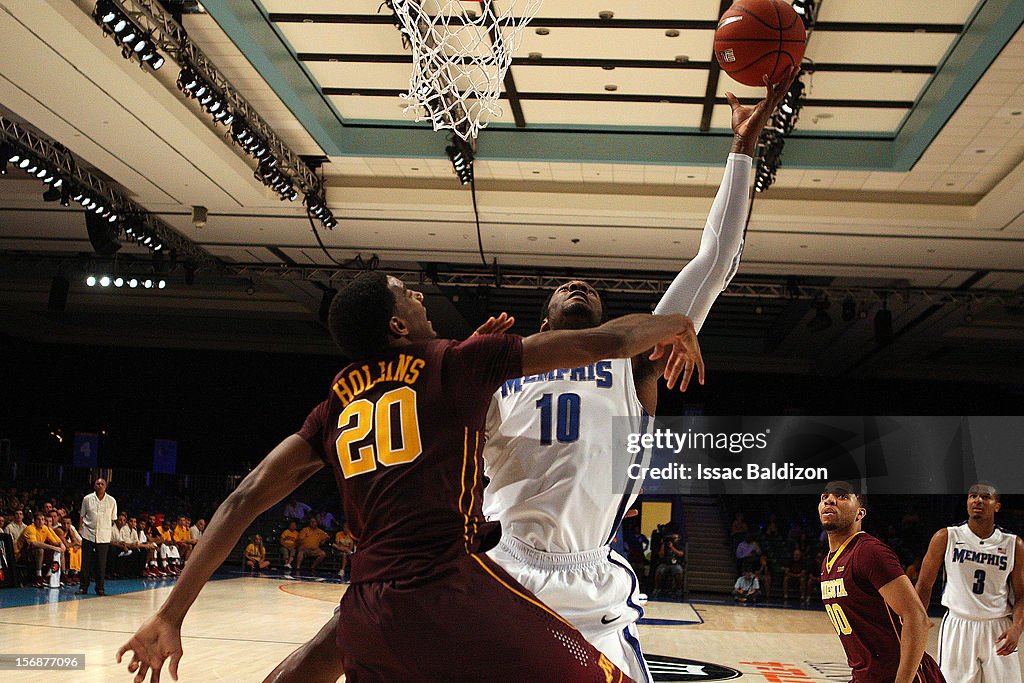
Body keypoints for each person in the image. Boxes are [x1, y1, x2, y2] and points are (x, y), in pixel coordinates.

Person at [118, 271, 702, 683]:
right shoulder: (456, 361)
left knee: (308, 669)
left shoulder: (334, 405)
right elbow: (612, 341)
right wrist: (678, 323)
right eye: (408, 294)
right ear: (398, 325)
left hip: (370, 601)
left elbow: (245, 497)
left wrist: (171, 613)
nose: (420, 294)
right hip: (453, 590)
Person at [478, 72, 794, 683]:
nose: (579, 286)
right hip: (505, 568)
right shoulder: (496, 368)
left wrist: (742, 151)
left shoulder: (632, 361)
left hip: (592, 574)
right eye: (567, 286)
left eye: (591, 290)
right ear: (545, 317)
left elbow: (715, 261)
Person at [817, 481, 944, 683]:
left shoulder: (868, 552)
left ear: (860, 514)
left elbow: (917, 617)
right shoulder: (828, 562)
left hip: (902, 677)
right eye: (825, 497)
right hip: (867, 676)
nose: (830, 500)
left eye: (842, 497)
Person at [915, 482, 1023, 683]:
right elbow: (924, 584)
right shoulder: (946, 537)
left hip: (998, 626)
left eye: (985, 497)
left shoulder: (1013, 544)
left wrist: (1017, 628)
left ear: (997, 506)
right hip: (959, 625)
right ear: (966, 502)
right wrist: (917, 619)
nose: (978, 500)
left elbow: (1021, 594)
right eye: (973, 496)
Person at [78, 477, 117, 596]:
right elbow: (82, 516)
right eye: (97, 483)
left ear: (106, 486)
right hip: (88, 533)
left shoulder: (111, 501)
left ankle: (100, 588)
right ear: (94, 486)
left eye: (102, 484)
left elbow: (113, 519)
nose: (100, 485)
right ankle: (83, 587)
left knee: (101, 563)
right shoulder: (87, 499)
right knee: (86, 562)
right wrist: (80, 529)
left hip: (104, 536)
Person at [16, 512, 65, 587]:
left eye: (42, 519)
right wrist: (53, 547)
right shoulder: (30, 528)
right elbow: (34, 543)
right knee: (40, 550)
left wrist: (60, 544)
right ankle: (38, 577)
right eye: (38, 519)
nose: (40, 521)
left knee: (58, 550)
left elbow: (55, 541)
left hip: (32, 551)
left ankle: (50, 575)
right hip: (20, 554)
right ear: (34, 521)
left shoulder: (45, 528)